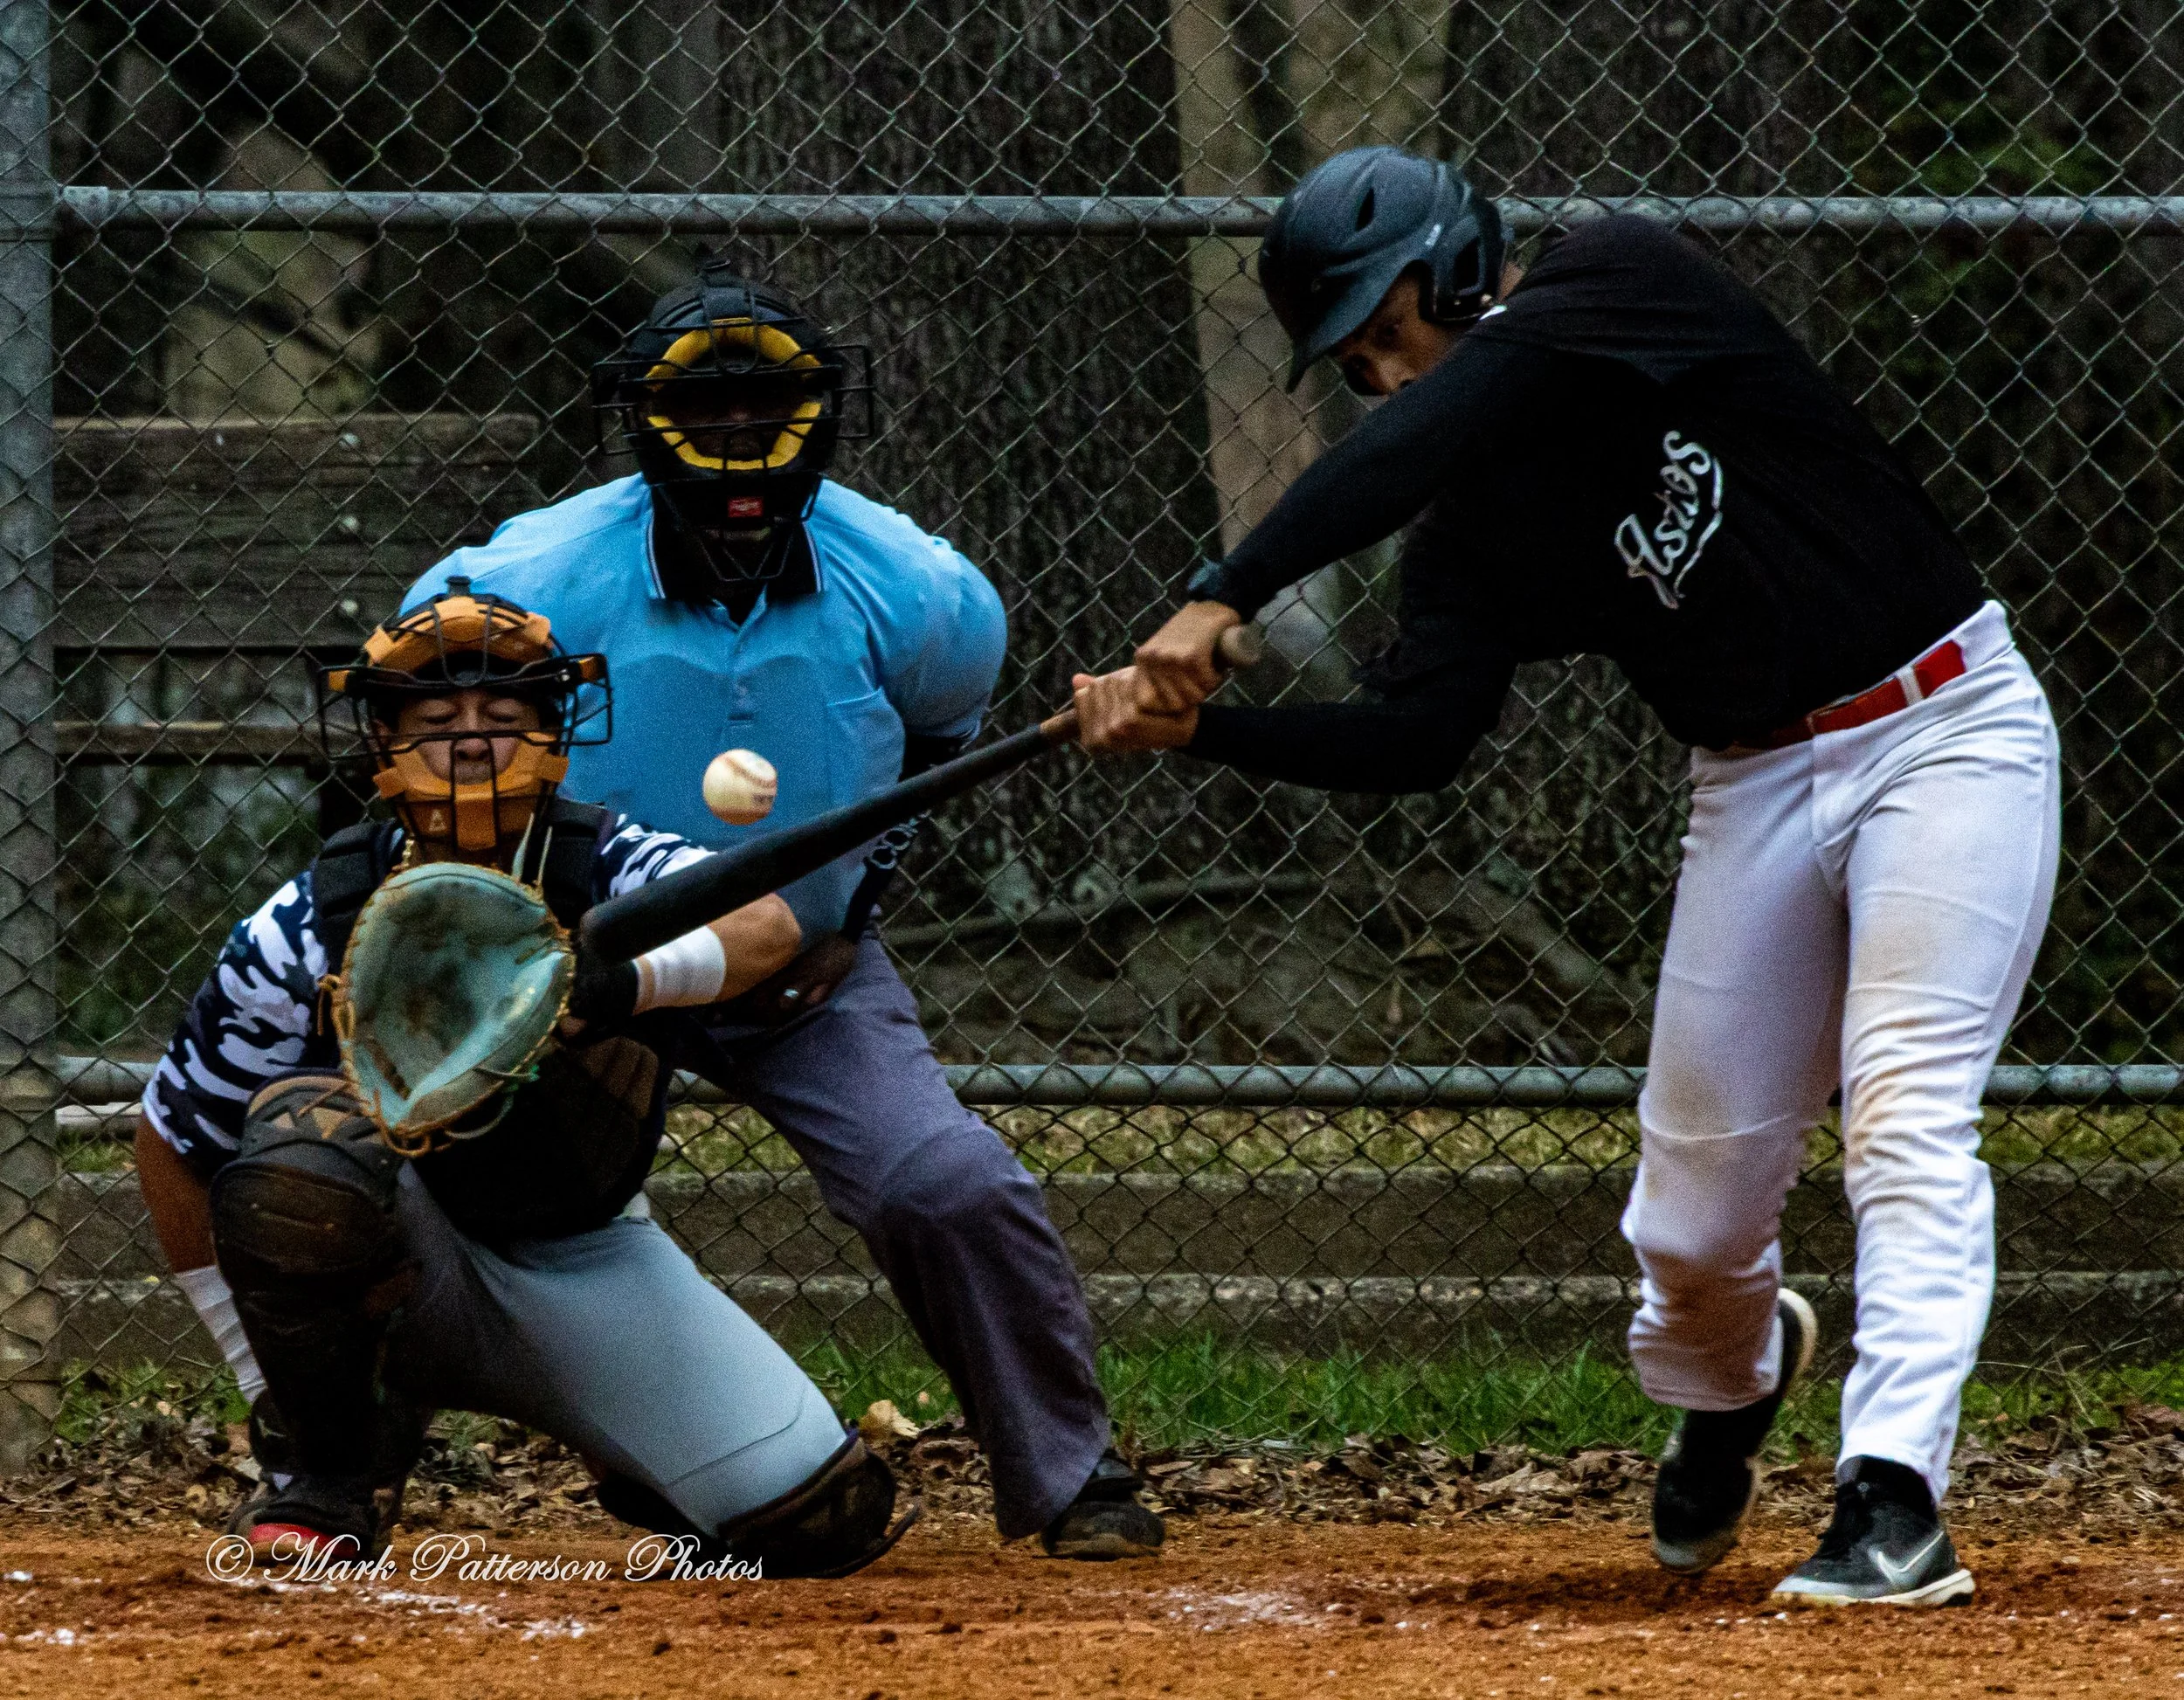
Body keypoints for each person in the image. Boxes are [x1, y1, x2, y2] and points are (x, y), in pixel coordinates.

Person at [1073, 145, 2060, 1605]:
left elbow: (1442, 420)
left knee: (1907, 1103)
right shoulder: (1475, 524)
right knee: (1693, 1217)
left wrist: (1228, 589)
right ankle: (1731, 1378)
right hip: (1754, 779)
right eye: (1356, 362)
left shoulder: (1625, 277)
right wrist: (1205, 730)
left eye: (1393, 329)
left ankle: (1892, 1494)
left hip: (1946, 727)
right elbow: (1420, 736)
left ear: (1462, 267)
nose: (1390, 379)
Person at [395, 260, 1163, 1559]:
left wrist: (854, 918)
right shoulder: (532, 578)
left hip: (804, 965)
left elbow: (935, 736)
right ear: (642, 421)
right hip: (579, 966)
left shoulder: (917, 589)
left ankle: (1071, 1472)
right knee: (415, 1177)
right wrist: (525, 943)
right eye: (713, 415)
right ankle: (379, 1466)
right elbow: (433, 738)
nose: (743, 447)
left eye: (772, 412)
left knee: (947, 1180)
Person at [138, 584, 916, 1573]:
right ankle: (332, 1464)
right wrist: (269, 1390)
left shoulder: (602, 860)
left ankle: (625, 1437)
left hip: (576, 1249)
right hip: (397, 1249)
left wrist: (616, 978)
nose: (470, 743)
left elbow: (767, 926)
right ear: (383, 744)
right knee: (301, 1143)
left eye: (502, 719)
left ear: (554, 737)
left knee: (813, 1521)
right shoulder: (308, 919)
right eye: (434, 722)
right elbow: (172, 1139)